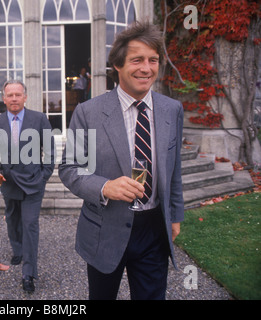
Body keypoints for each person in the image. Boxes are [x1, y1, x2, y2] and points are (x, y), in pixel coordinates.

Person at [58, 22, 184, 300]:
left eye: (153, 60)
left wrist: (175, 215)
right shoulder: (88, 112)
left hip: (153, 230)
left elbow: (174, 170)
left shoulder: (172, 110)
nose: (146, 68)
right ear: (117, 64)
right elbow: (69, 168)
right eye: (137, 60)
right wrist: (105, 187)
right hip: (105, 227)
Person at [0, 80, 55, 293]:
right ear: (3, 99)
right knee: (13, 221)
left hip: (34, 183)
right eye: (10, 95)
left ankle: (28, 274)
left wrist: (44, 176)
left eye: (18, 94)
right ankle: (18, 249)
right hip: (9, 183)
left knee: (30, 224)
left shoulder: (39, 119)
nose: (14, 98)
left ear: (25, 97)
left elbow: (49, 150)